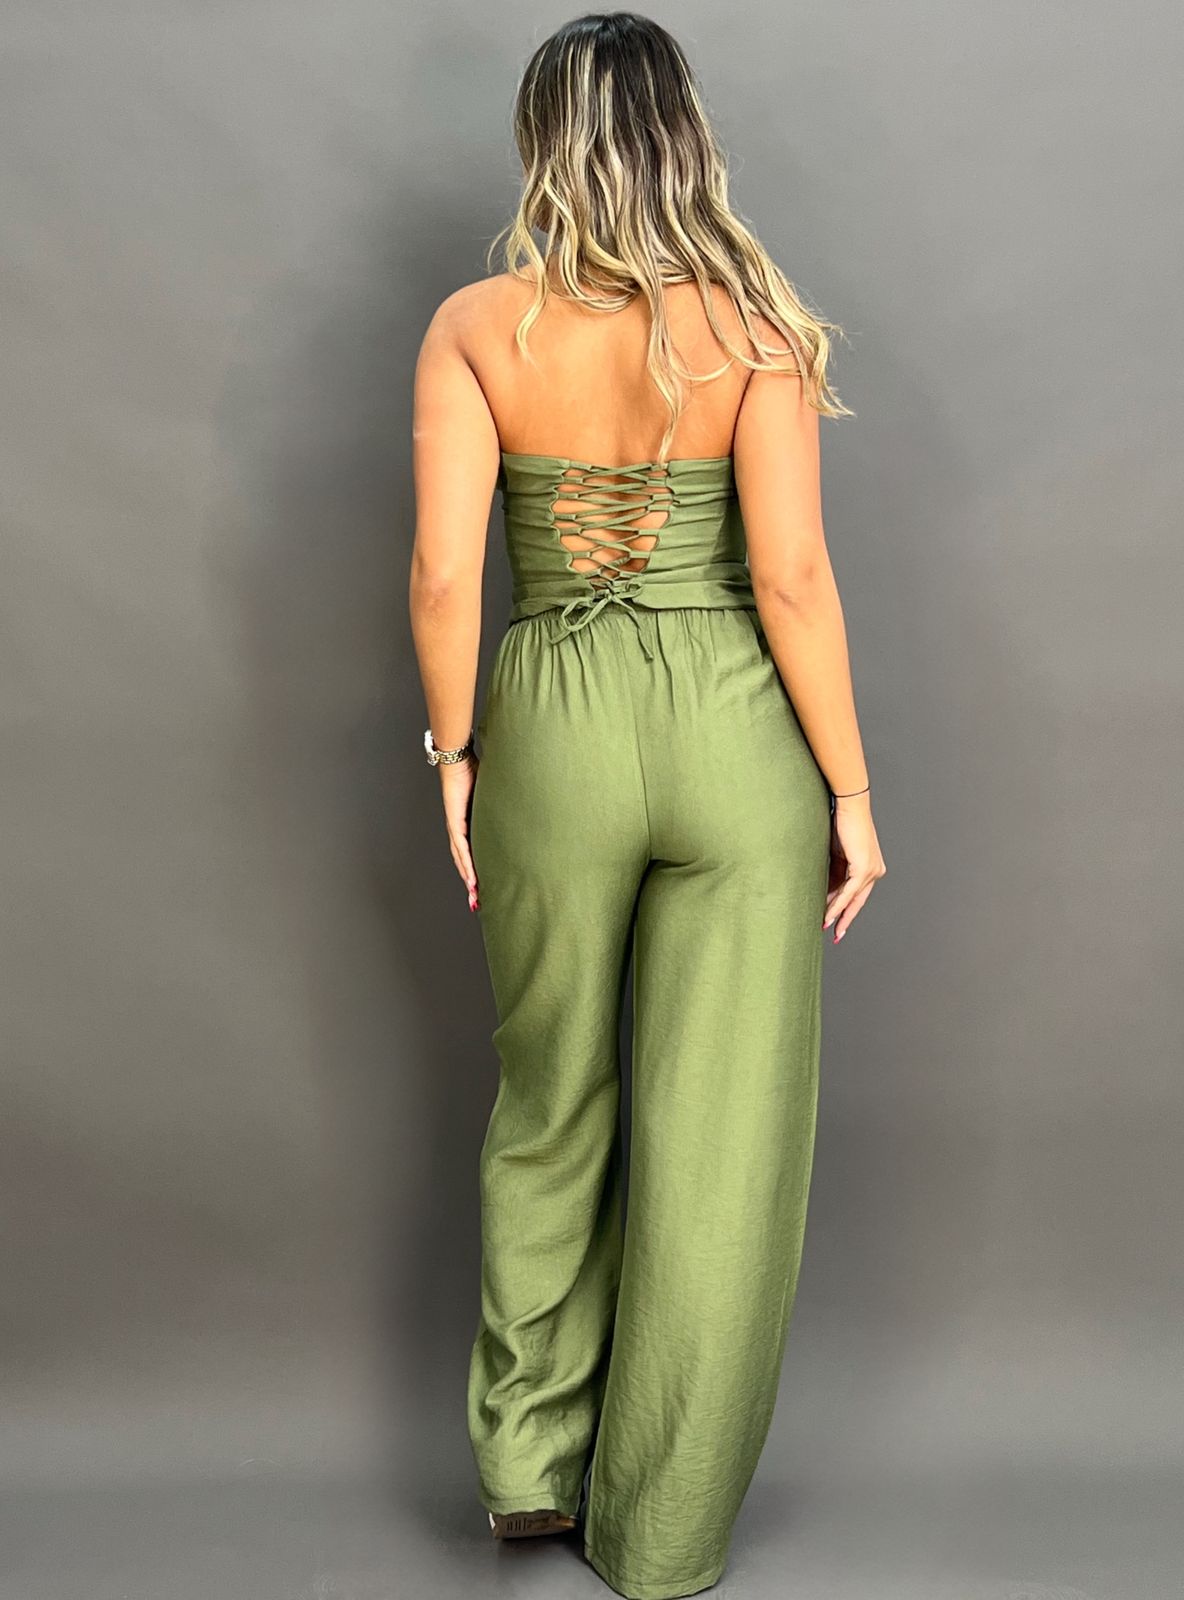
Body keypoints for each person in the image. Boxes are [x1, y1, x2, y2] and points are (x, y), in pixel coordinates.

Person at [409, 13, 886, 1597]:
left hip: (553, 725)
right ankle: (663, 1537)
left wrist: (455, 756)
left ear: (542, 143)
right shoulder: (754, 326)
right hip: (737, 739)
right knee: (721, 1135)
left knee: (550, 1100)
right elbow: (793, 578)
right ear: (686, 137)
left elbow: (445, 576)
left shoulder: (477, 326)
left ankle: (527, 1467)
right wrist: (851, 790)